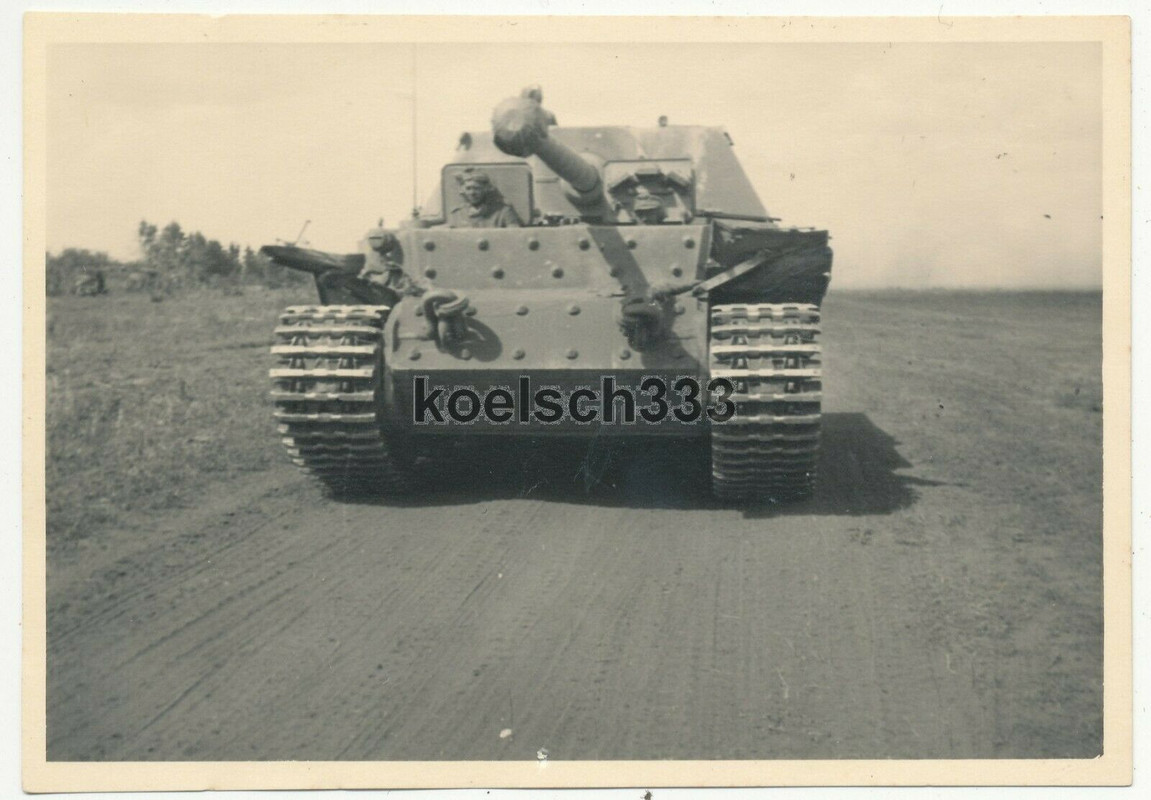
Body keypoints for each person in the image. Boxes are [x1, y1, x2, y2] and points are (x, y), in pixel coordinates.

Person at [447, 169, 524, 228]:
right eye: (468, 188)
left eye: (477, 188)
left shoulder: (503, 212)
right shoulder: (457, 214)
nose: (472, 193)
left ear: (485, 189)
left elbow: (514, 236)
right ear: (463, 190)